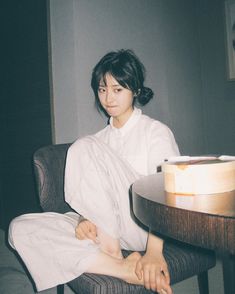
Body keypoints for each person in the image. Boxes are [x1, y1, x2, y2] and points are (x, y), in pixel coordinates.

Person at [8, 49, 179, 294]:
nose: (108, 97)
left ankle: (110, 251)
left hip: (146, 226)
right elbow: (93, 197)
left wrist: (153, 252)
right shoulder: (99, 141)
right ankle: (123, 269)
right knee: (20, 228)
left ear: (136, 90)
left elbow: (166, 192)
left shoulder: (155, 132)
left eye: (117, 89)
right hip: (108, 228)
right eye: (102, 89)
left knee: (83, 145)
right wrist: (82, 219)